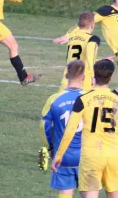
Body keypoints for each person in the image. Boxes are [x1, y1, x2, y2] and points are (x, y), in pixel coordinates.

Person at [52, 59, 118, 198]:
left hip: (91, 156)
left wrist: (59, 155)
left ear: (93, 76)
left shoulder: (82, 100)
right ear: (111, 77)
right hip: (112, 156)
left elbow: (70, 130)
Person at [40, 60, 87, 198]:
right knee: (88, 192)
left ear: (66, 75)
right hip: (86, 155)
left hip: (63, 155)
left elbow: (45, 126)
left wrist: (50, 147)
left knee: (65, 193)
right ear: (84, 77)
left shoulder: (54, 99)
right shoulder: (90, 98)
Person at [59, 12, 101, 92]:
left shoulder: (71, 38)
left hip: (68, 77)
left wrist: (101, 60)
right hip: (83, 79)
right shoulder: (92, 39)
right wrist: (93, 76)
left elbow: (78, 57)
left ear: (78, 25)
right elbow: (90, 56)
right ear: (92, 25)